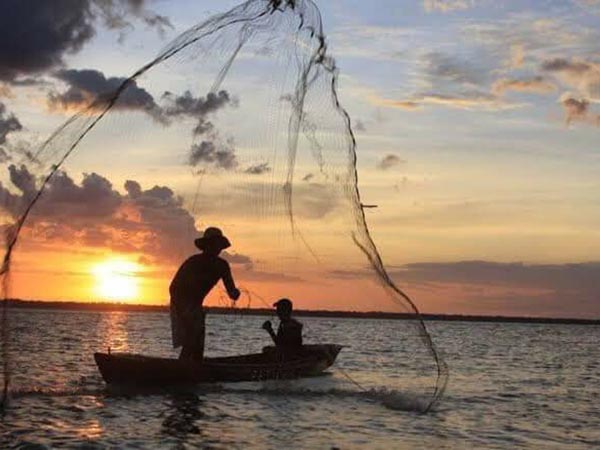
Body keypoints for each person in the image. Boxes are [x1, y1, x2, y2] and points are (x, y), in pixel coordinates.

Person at [170, 227, 240, 360]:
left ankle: (193, 368)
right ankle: (184, 368)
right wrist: (183, 309)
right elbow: (174, 288)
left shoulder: (222, 265)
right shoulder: (193, 262)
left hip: (196, 306)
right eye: (214, 244)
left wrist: (235, 293)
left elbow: (232, 292)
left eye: (218, 245)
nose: (216, 248)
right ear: (206, 245)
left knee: (197, 340)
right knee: (191, 339)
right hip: (181, 304)